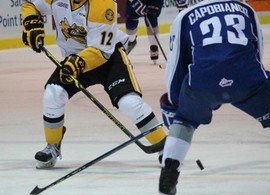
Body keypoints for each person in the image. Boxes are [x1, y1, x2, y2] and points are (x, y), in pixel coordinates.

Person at [158, 0, 270, 195]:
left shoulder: (185, 16)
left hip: (202, 84)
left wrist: (177, 103)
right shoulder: (245, 8)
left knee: (185, 120)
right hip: (248, 79)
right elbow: (257, 50)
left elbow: (176, 64)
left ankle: (169, 173)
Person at [21, 0, 167, 169]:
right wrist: (31, 21)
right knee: (53, 93)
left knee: (129, 103)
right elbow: (29, 3)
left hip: (109, 58)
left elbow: (101, 51)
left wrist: (76, 64)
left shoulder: (103, 4)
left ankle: (165, 145)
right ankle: (52, 145)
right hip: (75, 59)